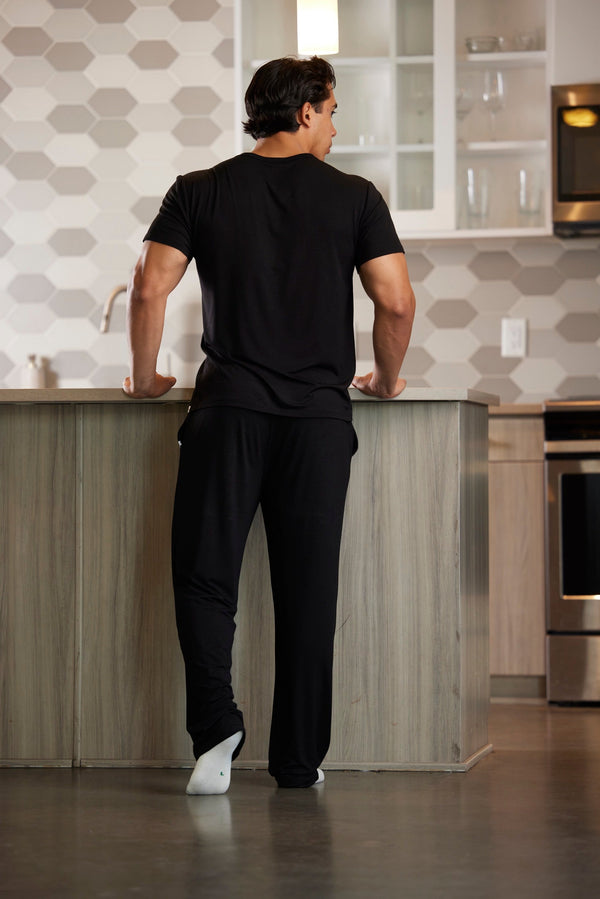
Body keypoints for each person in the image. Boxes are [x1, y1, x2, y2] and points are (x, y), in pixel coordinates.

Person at [123, 56, 415, 793]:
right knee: (308, 587)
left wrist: (148, 372)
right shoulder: (354, 197)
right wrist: (382, 377)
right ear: (306, 111)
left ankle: (217, 731)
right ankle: (298, 758)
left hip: (227, 414)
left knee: (205, 578)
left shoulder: (201, 189)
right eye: (334, 109)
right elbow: (398, 301)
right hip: (317, 421)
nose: (337, 124)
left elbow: (150, 285)